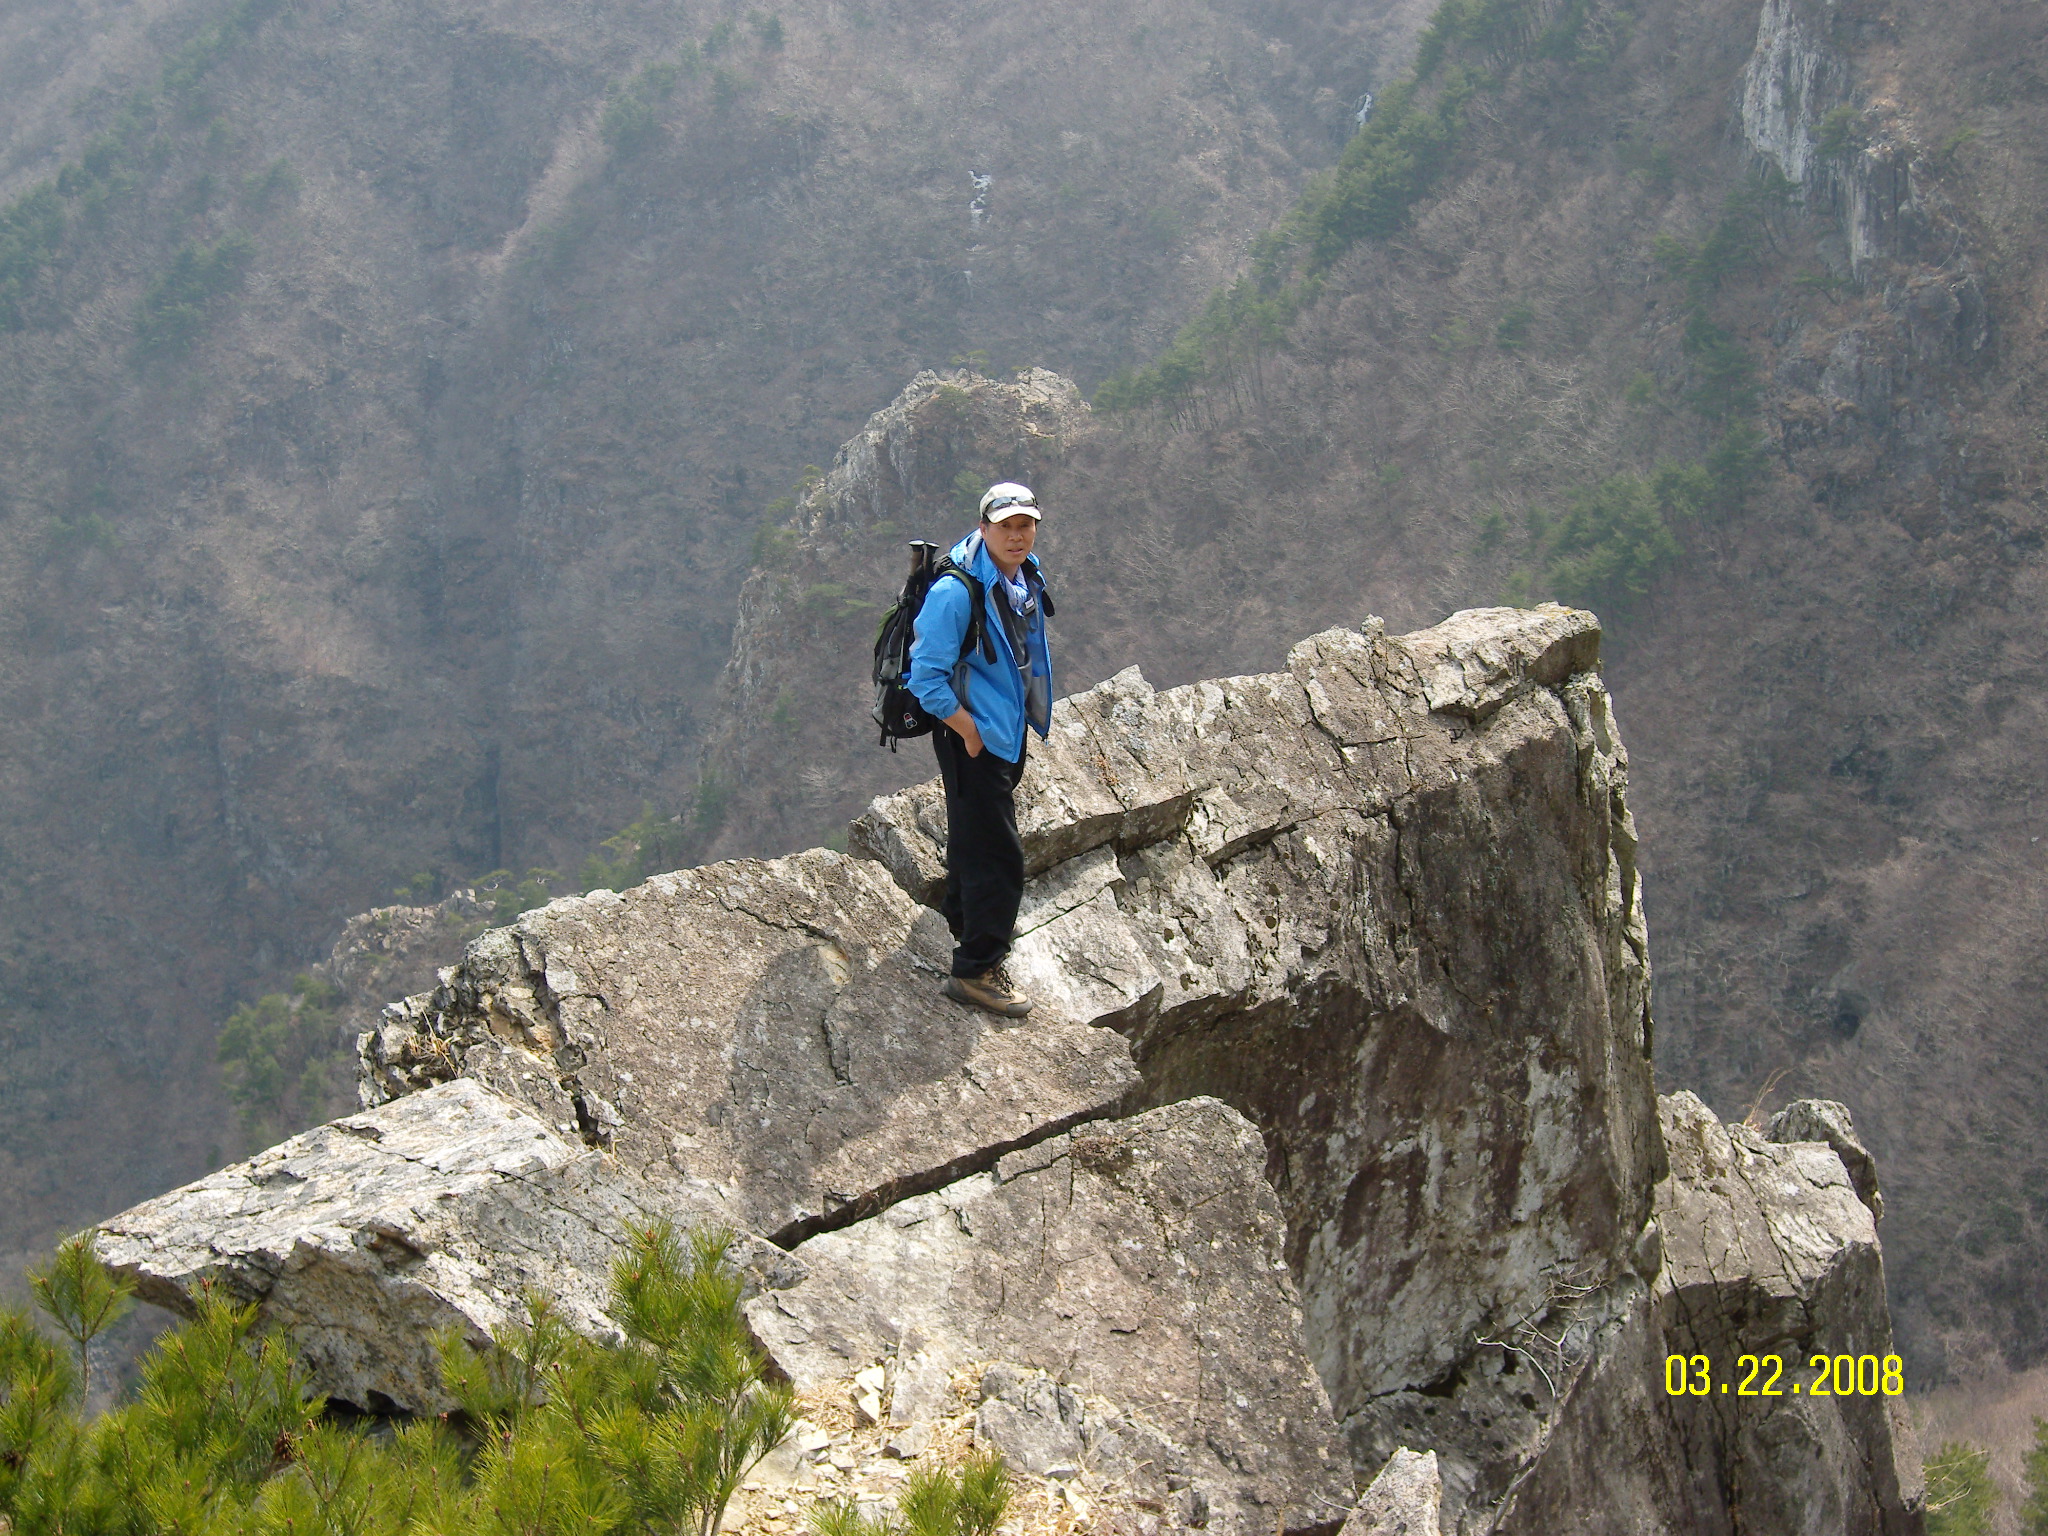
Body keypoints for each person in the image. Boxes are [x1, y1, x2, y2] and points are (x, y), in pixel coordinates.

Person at [906, 481, 1055, 1016]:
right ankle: (977, 970)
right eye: (1006, 526)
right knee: (999, 856)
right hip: (974, 737)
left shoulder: (1018, 576)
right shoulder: (956, 591)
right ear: (984, 526)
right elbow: (924, 678)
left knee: (973, 836)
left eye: (1025, 525)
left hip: (1003, 732)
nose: (1017, 536)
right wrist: (968, 731)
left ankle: (961, 924)